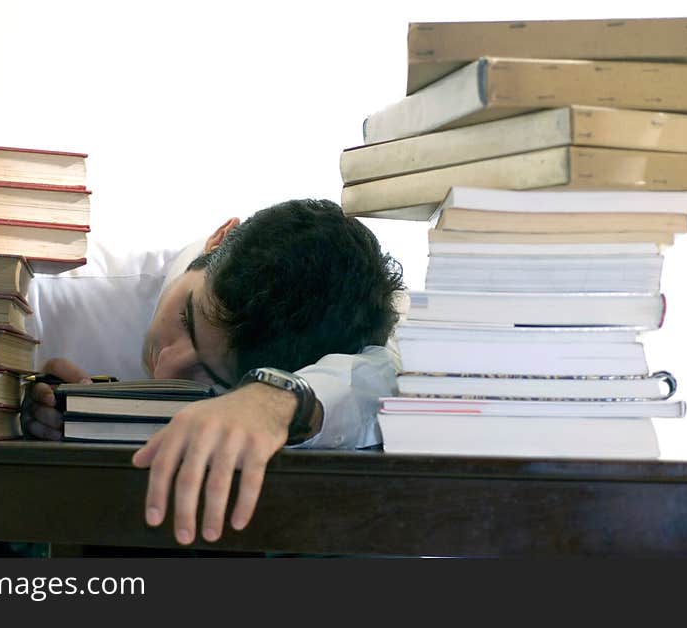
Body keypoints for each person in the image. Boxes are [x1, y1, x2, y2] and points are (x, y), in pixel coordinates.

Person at [23, 198, 405, 546]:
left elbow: (388, 378)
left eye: (216, 379)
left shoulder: (332, 347)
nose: (168, 367)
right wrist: (12, 391)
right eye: (186, 317)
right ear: (217, 239)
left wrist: (275, 396)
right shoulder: (43, 290)